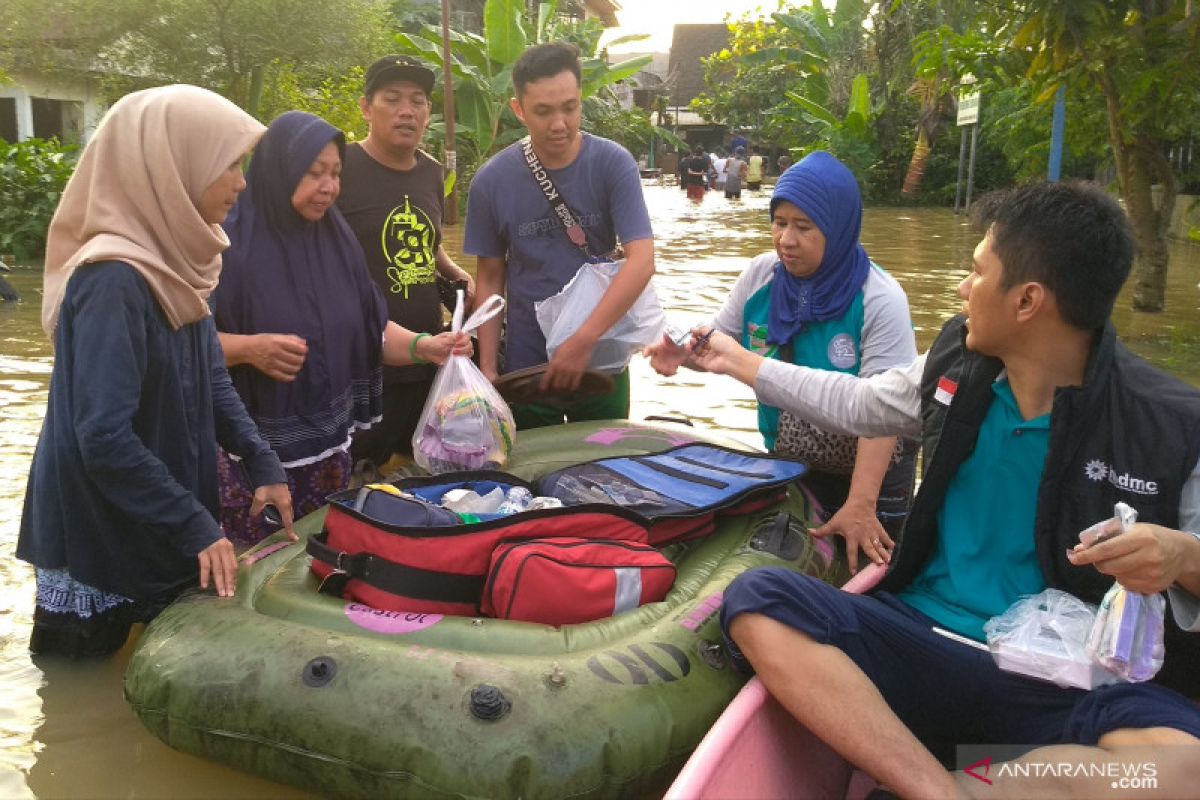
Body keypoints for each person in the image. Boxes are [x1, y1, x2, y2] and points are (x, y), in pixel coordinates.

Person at [695, 180, 1200, 798]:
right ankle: (944, 791)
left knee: (1182, 767)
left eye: (976, 272)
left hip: (1067, 686)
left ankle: (936, 782)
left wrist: (1181, 555)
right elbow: (857, 404)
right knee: (762, 601)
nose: (962, 290)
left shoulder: (1172, 424)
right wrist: (736, 361)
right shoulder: (954, 368)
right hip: (919, 642)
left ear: (1027, 301)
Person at [17, 85, 295, 659]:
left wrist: (260, 459)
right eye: (229, 164)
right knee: (79, 680)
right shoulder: (113, 280)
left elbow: (211, 376)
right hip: (96, 521)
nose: (241, 182)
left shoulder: (182, 259)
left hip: (158, 503)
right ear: (174, 167)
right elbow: (103, 436)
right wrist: (194, 523)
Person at [647, 151, 917, 571]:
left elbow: (887, 411)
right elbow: (723, 347)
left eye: (804, 227)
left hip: (871, 482)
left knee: (865, 584)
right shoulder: (761, 277)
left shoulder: (880, 298)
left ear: (838, 227)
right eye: (779, 222)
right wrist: (682, 352)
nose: (786, 240)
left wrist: (861, 504)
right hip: (791, 463)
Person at [212, 111, 470, 545]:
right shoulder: (224, 247)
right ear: (279, 171)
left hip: (329, 453)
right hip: (250, 460)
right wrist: (247, 348)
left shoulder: (336, 240)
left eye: (335, 173)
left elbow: (369, 327)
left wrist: (426, 346)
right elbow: (176, 345)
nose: (329, 187)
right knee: (257, 567)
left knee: (316, 557)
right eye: (314, 173)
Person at [465, 41, 655, 429]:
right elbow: (489, 276)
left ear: (580, 100)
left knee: (604, 469)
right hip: (527, 366)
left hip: (602, 358)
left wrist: (582, 341)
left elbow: (642, 260)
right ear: (519, 110)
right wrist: (486, 367)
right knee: (533, 476)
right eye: (543, 111)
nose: (559, 124)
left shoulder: (612, 164)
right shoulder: (491, 181)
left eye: (569, 108)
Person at [337, 55, 476, 472]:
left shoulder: (431, 172)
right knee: (355, 474)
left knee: (418, 472)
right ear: (365, 107)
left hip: (429, 357)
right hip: (363, 361)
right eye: (392, 99)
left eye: (417, 101)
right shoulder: (339, 168)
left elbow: (428, 242)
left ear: (428, 112)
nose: (406, 111)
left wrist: (455, 272)